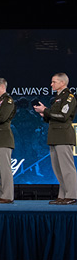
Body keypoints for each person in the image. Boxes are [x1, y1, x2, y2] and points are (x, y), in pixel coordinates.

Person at [33, 73, 77, 205]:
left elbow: (63, 116)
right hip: (54, 137)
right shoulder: (58, 98)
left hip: (63, 136)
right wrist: (43, 113)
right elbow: (54, 116)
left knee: (67, 168)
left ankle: (72, 195)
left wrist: (46, 110)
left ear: (62, 83)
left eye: (54, 82)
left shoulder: (69, 97)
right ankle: (63, 195)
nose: (51, 84)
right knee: (58, 168)